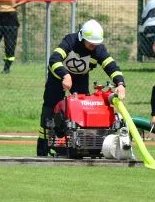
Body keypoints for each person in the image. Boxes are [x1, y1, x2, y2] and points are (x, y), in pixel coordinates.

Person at [37, 19, 126, 157]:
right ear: (82, 38)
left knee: (85, 110)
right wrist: (65, 75)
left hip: (80, 79)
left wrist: (120, 84)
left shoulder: (98, 49)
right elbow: (54, 59)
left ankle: (84, 146)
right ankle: (42, 150)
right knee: (49, 110)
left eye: (96, 44)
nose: (93, 46)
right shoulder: (70, 41)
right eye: (91, 43)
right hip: (58, 77)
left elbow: (111, 66)